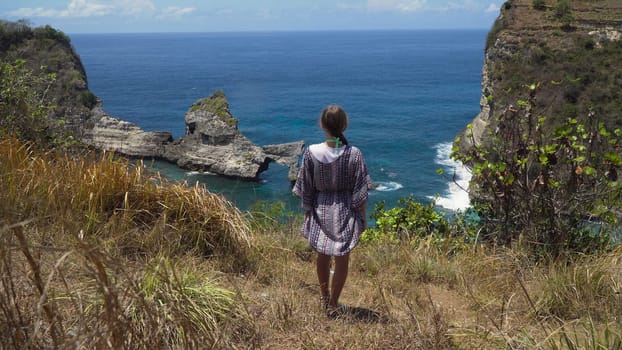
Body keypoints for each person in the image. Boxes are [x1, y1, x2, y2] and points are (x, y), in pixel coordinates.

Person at [293, 104, 373, 316]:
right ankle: (334, 304)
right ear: (344, 125)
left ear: (322, 125)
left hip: (320, 210)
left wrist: (308, 212)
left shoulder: (310, 153)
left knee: (322, 256)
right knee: (342, 259)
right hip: (345, 212)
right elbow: (361, 190)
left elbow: (305, 187)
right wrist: (362, 218)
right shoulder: (354, 154)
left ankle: (324, 298)